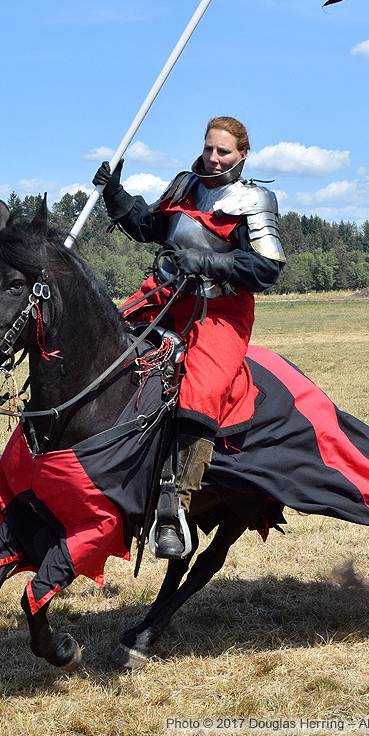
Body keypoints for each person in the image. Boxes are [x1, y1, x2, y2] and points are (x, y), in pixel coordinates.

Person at [93, 116, 285, 557]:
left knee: (202, 388)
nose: (213, 158)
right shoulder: (186, 185)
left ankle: (172, 506)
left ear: (243, 155)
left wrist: (212, 263)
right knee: (106, 346)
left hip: (221, 309)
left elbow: (267, 269)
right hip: (166, 293)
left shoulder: (255, 200)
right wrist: (115, 193)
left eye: (223, 152)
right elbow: (150, 228)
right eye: (208, 149)